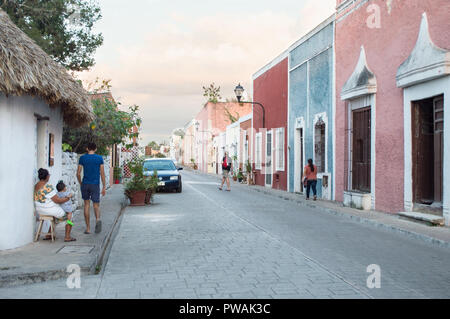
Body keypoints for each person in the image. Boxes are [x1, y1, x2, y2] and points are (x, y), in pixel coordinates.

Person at [34, 169, 76, 242]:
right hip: (49, 210)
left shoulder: (36, 185)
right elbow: (57, 200)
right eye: (49, 175)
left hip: (40, 210)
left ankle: (49, 234)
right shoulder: (48, 187)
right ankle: (67, 236)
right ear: (47, 176)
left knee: (55, 216)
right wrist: (67, 198)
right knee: (69, 215)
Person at [77, 142, 106, 234]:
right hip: (95, 184)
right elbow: (102, 173)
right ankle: (97, 219)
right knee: (96, 205)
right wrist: (104, 186)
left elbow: (78, 173)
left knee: (86, 205)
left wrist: (81, 183)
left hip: (85, 183)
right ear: (96, 149)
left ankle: (88, 228)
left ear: (87, 148)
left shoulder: (82, 158)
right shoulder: (99, 158)